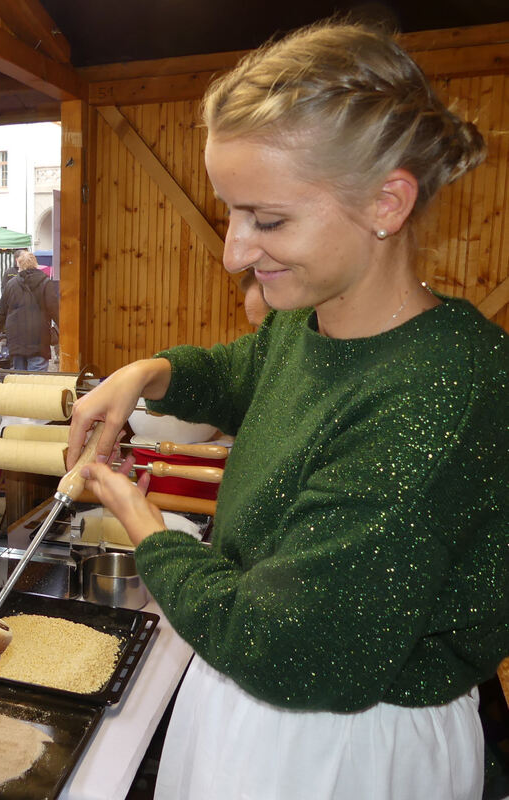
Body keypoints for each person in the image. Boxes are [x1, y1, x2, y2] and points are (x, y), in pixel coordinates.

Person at [67, 22, 507, 800]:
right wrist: (149, 372)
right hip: (253, 710)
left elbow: (289, 648)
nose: (236, 251)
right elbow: (250, 370)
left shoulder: (443, 390)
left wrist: (143, 522)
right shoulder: (308, 320)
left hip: (344, 750)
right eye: (233, 213)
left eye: (267, 220)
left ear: (387, 201)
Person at [0, 250, 58, 372]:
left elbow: (1, 311)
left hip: (16, 340)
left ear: (19, 265)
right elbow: (55, 310)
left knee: (20, 380)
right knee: (36, 383)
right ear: (36, 264)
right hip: (39, 339)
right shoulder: (46, 283)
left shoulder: (11, 284)